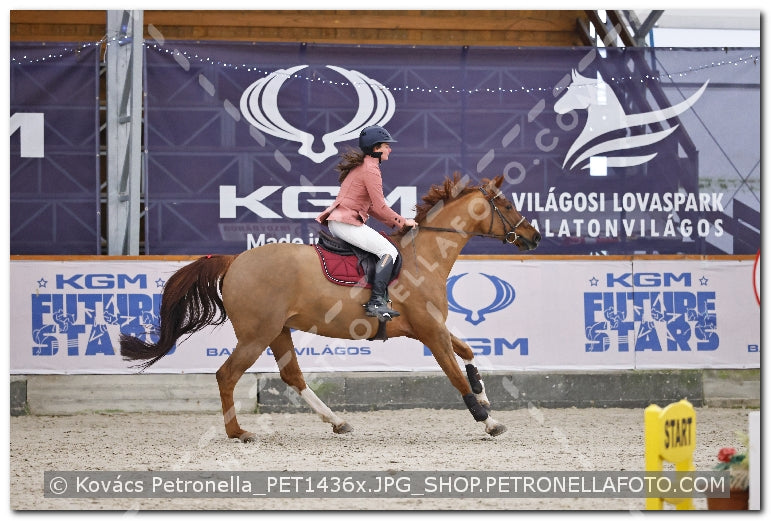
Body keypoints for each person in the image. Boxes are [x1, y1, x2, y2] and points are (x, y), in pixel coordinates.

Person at [316, 125, 418, 321]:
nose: (390, 149)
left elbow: (371, 208)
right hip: (345, 223)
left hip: (341, 221)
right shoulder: (371, 169)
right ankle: (376, 302)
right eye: (387, 146)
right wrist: (403, 222)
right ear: (376, 148)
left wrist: (397, 223)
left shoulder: (364, 166)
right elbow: (380, 207)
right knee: (389, 253)